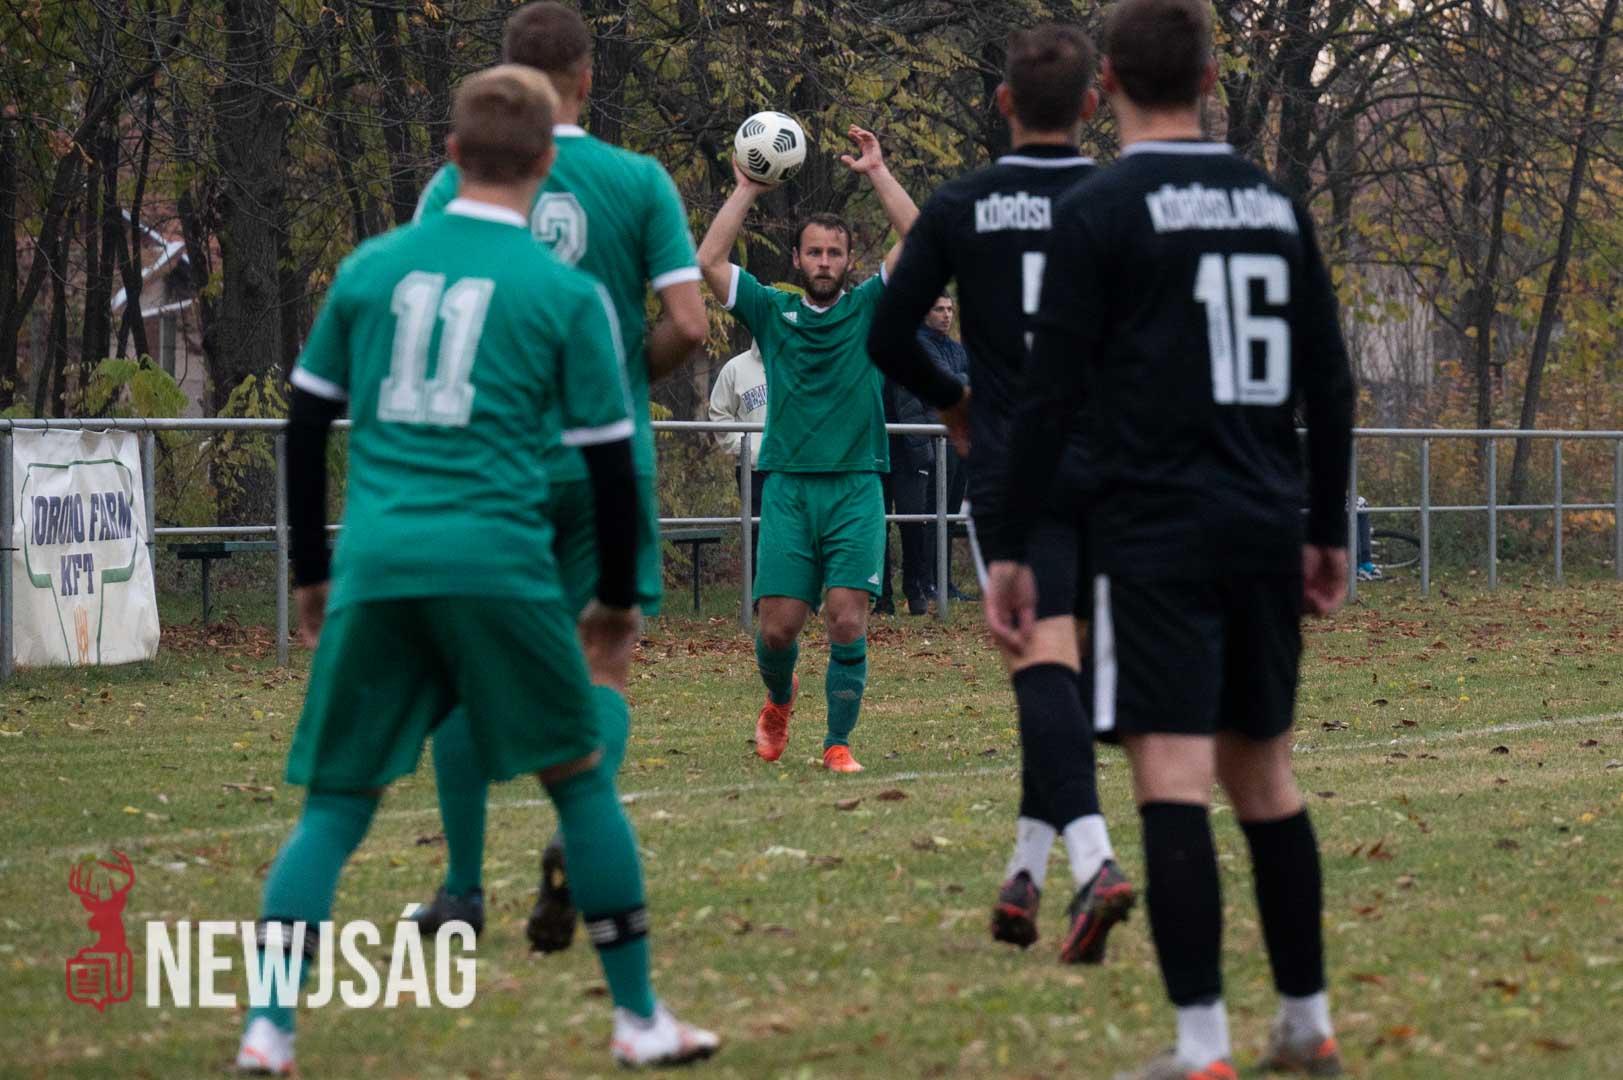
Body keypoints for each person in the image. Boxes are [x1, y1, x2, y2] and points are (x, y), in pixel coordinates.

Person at [233, 66, 717, 1074]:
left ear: (450, 156)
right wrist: (614, 598)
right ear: (544, 164)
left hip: (379, 563)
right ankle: (638, 1019)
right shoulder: (564, 294)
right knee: (579, 782)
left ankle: (268, 1029)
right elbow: (607, 460)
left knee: (335, 808)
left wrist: (312, 570)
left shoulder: (371, 268)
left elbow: (306, 422)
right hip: (499, 565)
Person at [986, 1, 1357, 1076]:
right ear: (1208, 77)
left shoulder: (1100, 209)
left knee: (1173, 779)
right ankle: (1306, 1022)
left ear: (1106, 83)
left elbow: (1049, 397)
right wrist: (1324, 525)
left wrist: (1012, 546)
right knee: (1267, 778)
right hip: (1262, 521)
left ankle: (1202, 1047)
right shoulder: (1274, 202)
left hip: (1153, 532)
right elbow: (1330, 382)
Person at [409, 0, 707, 957]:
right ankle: (580, 836)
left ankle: (461, 891)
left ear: (505, 78)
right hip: (603, 461)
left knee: (463, 673)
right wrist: (622, 375)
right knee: (604, 657)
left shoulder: (451, 185)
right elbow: (691, 323)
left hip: (492, 463)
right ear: (586, 76)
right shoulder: (637, 180)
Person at [865, 26, 1134, 964]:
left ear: (1002, 102)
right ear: (1092, 105)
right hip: (1117, 464)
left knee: (1042, 668)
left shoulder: (962, 204)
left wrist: (953, 401)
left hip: (1017, 464)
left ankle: (1094, 861)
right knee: (1060, 676)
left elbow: (887, 336)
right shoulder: (1123, 198)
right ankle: (1025, 873)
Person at [697, 126, 918, 774]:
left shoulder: (869, 308)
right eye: (814, 252)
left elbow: (923, 238)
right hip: (788, 487)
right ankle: (778, 698)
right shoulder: (772, 313)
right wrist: (745, 187)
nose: (824, 262)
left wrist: (877, 171)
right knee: (777, 629)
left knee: (846, 620)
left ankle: (836, 743)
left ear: (849, 261)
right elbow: (709, 261)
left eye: (835, 253)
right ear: (797, 260)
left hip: (856, 486)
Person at [915, 294, 971, 601]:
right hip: (935, 439)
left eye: (950, 309)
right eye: (939, 309)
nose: (946, 315)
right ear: (926, 313)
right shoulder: (920, 344)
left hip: (958, 436)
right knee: (933, 512)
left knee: (950, 514)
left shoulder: (955, 348)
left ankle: (945, 582)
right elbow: (944, 382)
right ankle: (928, 582)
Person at [709, 340, 768, 591]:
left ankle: (800, 599)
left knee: (797, 534)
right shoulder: (735, 368)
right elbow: (719, 414)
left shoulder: (798, 362)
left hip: (792, 467)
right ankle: (756, 598)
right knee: (756, 533)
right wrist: (744, 449)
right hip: (752, 469)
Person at [880, 370, 935, 615]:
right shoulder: (860, 356)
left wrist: (926, 432)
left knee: (913, 522)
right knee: (877, 525)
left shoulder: (911, 356)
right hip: (874, 451)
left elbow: (933, 397)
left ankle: (914, 587)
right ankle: (882, 596)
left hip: (911, 452)